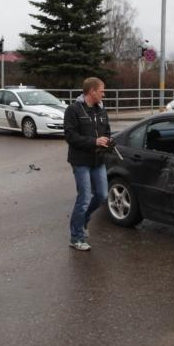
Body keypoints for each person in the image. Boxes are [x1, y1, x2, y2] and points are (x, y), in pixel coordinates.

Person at [63, 77, 112, 251]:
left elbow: (106, 130)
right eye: (101, 91)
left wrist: (107, 141)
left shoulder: (101, 110)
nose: (103, 94)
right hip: (81, 161)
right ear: (92, 92)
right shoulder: (74, 110)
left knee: (102, 195)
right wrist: (94, 142)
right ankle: (76, 237)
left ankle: (82, 220)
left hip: (98, 160)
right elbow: (70, 136)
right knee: (83, 198)